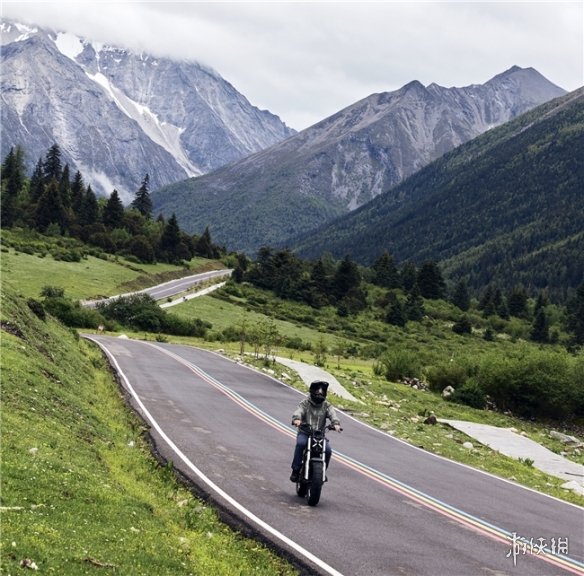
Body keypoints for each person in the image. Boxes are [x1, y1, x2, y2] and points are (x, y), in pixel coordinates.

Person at [290, 380, 341, 482]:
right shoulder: (305, 403)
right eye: (318, 391)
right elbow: (299, 411)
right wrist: (297, 419)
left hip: (319, 435)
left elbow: (332, 414)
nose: (320, 393)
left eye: (322, 391)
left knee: (328, 450)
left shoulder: (326, 405)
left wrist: (335, 424)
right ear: (312, 391)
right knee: (300, 444)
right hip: (305, 432)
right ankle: (295, 470)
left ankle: (321, 472)